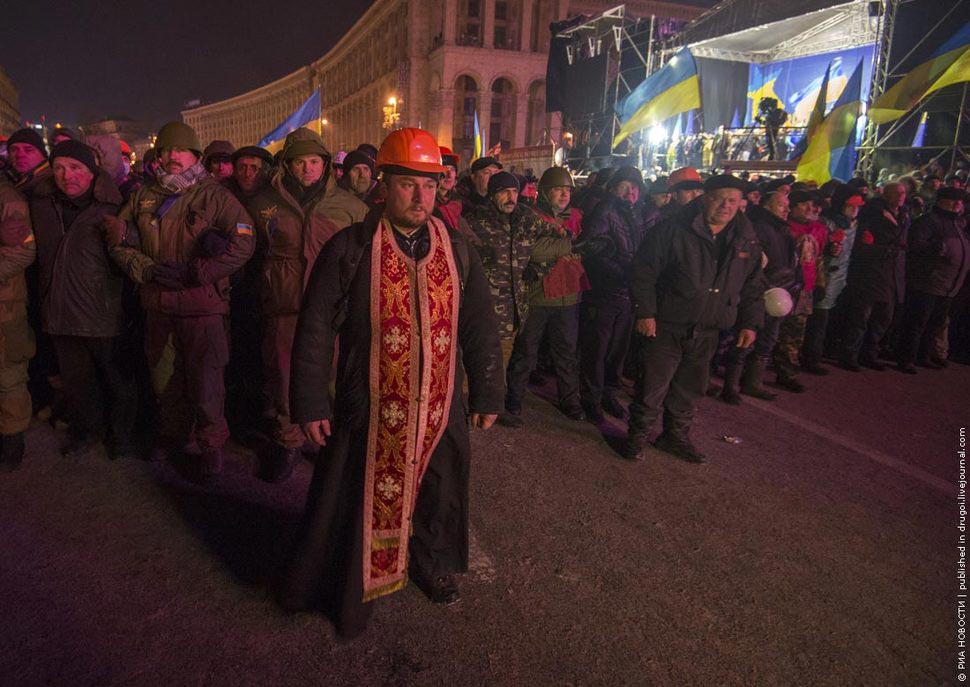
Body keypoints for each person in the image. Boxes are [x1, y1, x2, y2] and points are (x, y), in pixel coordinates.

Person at [278, 128, 503, 640]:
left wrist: (489, 390)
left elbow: (479, 325)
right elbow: (314, 327)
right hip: (372, 405)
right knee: (356, 500)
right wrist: (312, 401)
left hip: (441, 405)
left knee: (438, 491)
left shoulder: (458, 250)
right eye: (408, 185)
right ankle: (353, 586)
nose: (421, 197)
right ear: (384, 185)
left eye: (430, 185)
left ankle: (431, 562)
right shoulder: (351, 248)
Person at [105, 121, 255, 482]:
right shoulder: (143, 195)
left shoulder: (215, 197)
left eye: (180, 150)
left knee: (207, 383)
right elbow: (117, 241)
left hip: (202, 307)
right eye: (166, 150)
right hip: (158, 305)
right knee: (164, 379)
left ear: (195, 156)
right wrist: (145, 269)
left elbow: (244, 243)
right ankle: (176, 435)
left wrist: (199, 272)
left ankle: (211, 446)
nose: (172, 156)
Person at [247, 127, 368, 481]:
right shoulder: (264, 205)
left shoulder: (350, 206)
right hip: (283, 305)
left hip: (332, 311)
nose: (307, 169)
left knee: (332, 377)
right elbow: (250, 253)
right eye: (299, 162)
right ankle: (289, 442)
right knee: (283, 377)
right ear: (287, 166)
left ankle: (330, 445)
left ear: (326, 164)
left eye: (314, 161)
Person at [624, 174, 764, 463]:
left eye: (733, 201)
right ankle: (636, 437)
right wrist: (646, 312)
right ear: (705, 198)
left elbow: (751, 284)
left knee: (690, 389)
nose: (725, 206)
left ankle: (674, 437)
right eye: (719, 199)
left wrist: (750, 322)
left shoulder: (746, 239)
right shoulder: (673, 230)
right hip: (666, 325)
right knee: (652, 385)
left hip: (709, 328)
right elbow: (644, 272)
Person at [30, 140, 137, 459]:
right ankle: (87, 431)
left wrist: (126, 233)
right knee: (78, 383)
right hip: (60, 312)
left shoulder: (114, 205)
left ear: (92, 172)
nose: (67, 175)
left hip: (102, 312)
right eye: (59, 167)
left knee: (118, 380)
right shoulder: (41, 204)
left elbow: (138, 244)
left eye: (76, 168)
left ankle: (121, 435)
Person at [505, 166, 587, 424]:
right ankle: (513, 399)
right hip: (537, 297)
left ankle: (570, 401)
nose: (564, 195)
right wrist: (565, 248)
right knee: (526, 351)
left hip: (567, 296)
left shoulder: (575, 217)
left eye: (567, 190)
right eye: (558, 190)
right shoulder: (530, 215)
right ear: (545, 192)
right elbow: (533, 252)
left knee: (566, 353)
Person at [465, 171, 571, 363]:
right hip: (483, 314)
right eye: (504, 192)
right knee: (477, 368)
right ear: (492, 194)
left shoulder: (526, 219)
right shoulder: (475, 222)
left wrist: (539, 270)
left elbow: (558, 242)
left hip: (515, 315)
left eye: (514, 191)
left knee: (503, 369)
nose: (511, 197)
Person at [578, 165, 647, 422]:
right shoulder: (605, 210)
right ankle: (591, 399)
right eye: (625, 186)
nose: (631, 192)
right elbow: (592, 251)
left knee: (617, 351)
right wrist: (623, 271)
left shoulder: (637, 214)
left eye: (635, 187)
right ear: (615, 187)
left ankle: (609, 393)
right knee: (597, 351)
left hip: (628, 296)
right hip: (605, 293)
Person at [720, 190, 799, 404]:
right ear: (767, 206)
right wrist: (763, 287)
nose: (787, 210)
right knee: (745, 338)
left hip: (780, 292)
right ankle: (731, 385)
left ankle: (753, 382)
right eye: (781, 205)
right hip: (761, 292)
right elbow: (752, 265)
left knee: (767, 340)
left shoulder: (782, 229)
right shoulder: (758, 228)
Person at [897, 187, 969, 372]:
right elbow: (916, 246)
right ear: (941, 201)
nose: (958, 204)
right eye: (954, 200)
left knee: (935, 323)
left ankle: (923, 355)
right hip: (928, 282)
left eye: (960, 201)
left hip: (949, 285)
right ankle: (906, 358)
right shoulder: (929, 221)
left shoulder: (957, 223)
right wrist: (936, 249)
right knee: (917, 322)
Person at [840, 182, 909, 371]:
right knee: (862, 316)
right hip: (872, 270)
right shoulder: (873, 212)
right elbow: (864, 242)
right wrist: (883, 249)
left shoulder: (904, 214)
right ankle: (849, 354)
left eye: (903, 193)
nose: (901, 196)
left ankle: (869, 352)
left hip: (892, 272)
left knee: (883, 316)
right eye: (897, 193)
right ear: (886, 194)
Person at [801, 187, 863, 372]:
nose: (854, 209)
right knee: (818, 320)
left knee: (828, 320)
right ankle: (811, 358)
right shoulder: (827, 223)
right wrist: (828, 249)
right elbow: (814, 249)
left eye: (857, 206)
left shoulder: (854, 224)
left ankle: (822, 352)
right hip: (826, 276)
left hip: (842, 278)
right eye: (850, 205)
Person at [0, 156, 37, 471]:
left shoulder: (8, 198)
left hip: (5, 306)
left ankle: (12, 439)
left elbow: (23, 251)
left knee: (8, 373)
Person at [772, 189, 828, 392]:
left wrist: (820, 283)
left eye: (811, 205)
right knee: (771, 330)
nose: (809, 209)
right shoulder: (783, 228)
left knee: (795, 332)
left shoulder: (819, 230)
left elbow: (819, 259)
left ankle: (787, 373)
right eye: (804, 204)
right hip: (783, 287)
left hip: (805, 287)